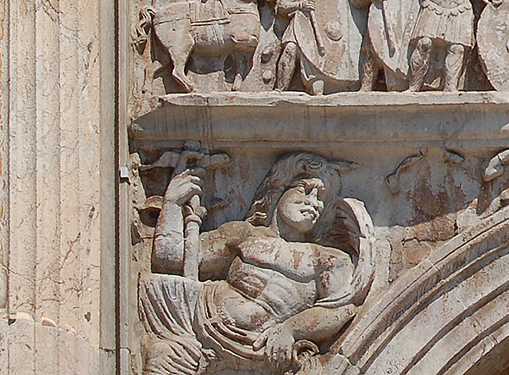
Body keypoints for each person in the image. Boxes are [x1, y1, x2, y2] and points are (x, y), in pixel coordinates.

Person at [138, 152, 373, 375]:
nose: (314, 203)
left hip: (259, 350)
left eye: (322, 198)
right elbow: (172, 257)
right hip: (200, 324)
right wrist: (172, 204)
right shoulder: (242, 234)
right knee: (163, 355)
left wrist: (291, 329)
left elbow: (338, 310)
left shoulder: (330, 259)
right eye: (305, 189)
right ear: (279, 189)